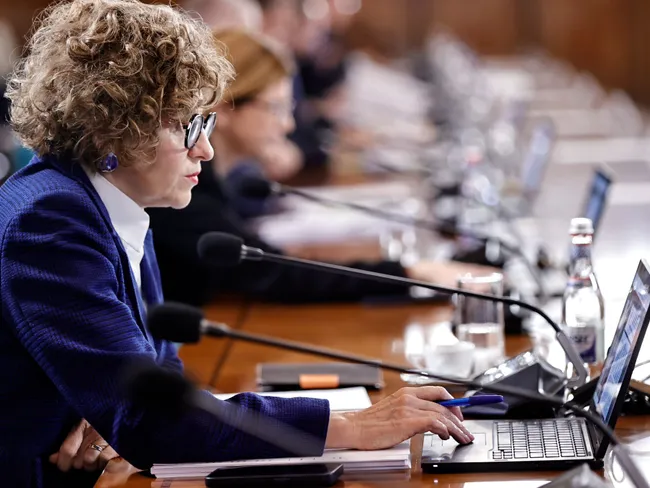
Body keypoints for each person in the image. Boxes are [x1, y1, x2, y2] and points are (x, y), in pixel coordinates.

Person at [1, 1, 473, 486]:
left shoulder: (108, 200)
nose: (205, 148)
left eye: (205, 124)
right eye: (187, 126)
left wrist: (114, 413)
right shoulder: (51, 221)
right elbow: (151, 419)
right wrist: (351, 426)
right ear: (115, 127)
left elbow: (158, 378)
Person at [147, 28, 494, 307]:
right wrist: (411, 273)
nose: (287, 125)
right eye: (275, 108)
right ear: (225, 108)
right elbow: (274, 274)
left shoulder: (219, 182)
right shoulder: (183, 195)